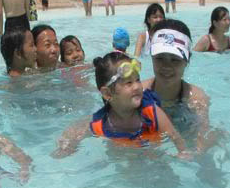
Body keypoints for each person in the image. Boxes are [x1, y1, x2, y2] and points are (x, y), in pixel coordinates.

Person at [52, 52, 189, 158]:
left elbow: (175, 136)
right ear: (107, 93)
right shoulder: (101, 124)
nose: (137, 86)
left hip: (155, 158)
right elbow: (76, 131)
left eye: (137, 79)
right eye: (128, 83)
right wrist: (65, 147)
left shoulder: (151, 111)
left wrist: (183, 153)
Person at [143, 19, 219, 153]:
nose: (166, 66)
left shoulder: (196, 99)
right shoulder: (139, 93)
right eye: (160, 58)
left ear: (187, 60)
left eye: (175, 60)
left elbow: (202, 140)